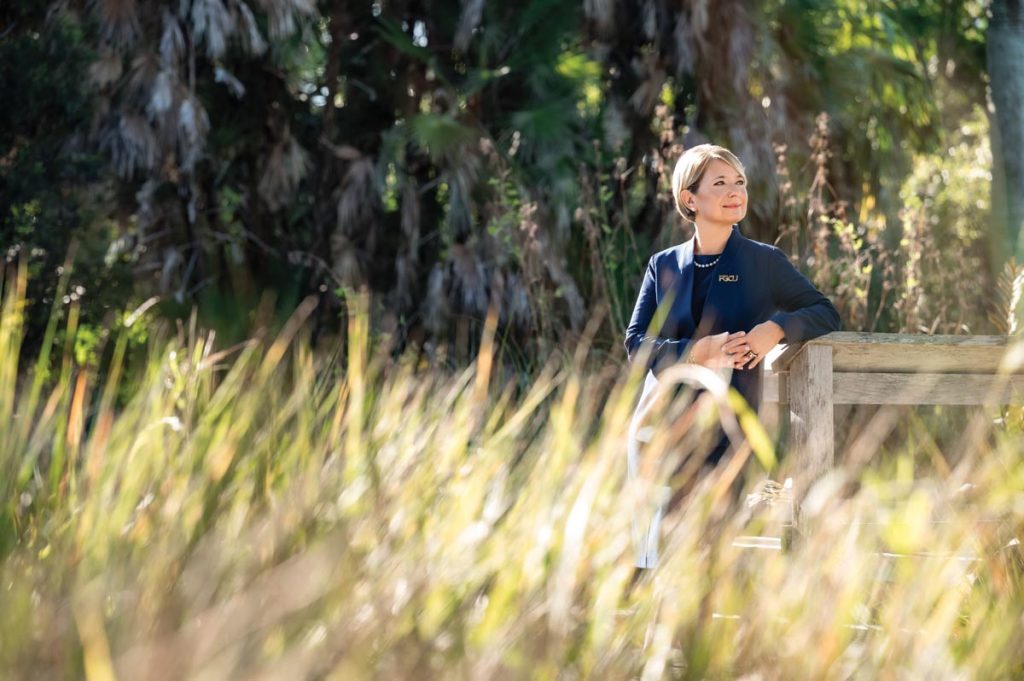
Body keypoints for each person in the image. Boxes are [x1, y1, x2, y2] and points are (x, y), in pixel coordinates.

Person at [624, 144, 841, 568]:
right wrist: (696, 351)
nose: (734, 191)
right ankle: (660, 628)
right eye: (719, 183)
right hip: (665, 425)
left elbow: (825, 311)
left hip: (732, 427)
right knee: (661, 546)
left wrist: (773, 330)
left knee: (711, 546)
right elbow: (636, 344)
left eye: (739, 182)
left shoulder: (764, 261)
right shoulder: (662, 265)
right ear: (690, 198)